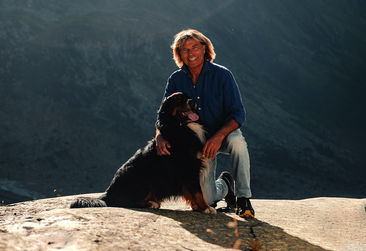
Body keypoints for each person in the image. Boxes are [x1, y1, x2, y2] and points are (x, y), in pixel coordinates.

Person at [155, 29, 254, 219]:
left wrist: (218, 137)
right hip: (196, 143)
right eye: (184, 49)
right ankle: (225, 185)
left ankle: (244, 198)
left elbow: (238, 114)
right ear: (179, 54)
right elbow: (164, 114)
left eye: (194, 47)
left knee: (238, 144)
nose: (190, 53)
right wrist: (160, 136)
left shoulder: (223, 75)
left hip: (223, 135)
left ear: (204, 48)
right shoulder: (176, 79)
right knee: (206, 200)